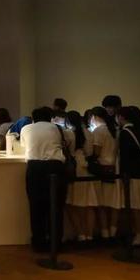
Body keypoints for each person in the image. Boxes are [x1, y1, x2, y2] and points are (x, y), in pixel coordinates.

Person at [21, 106, 66, 252]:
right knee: (56, 206)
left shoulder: (26, 128)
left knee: (35, 206)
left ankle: (38, 243)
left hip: (35, 167)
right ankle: (55, 242)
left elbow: (23, 146)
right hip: (55, 167)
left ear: (33, 118)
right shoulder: (57, 128)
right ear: (50, 117)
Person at [64, 111, 97, 243]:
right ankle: (90, 235)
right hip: (86, 167)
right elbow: (91, 152)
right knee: (88, 204)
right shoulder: (89, 132)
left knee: (72, 204)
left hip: (73, 167)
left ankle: (80, 234)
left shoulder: (68, 133)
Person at [90, 106, 121, 240]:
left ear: (94, 117)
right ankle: (113, 231)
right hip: (116, 168)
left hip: (102, 169)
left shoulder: (98, 131)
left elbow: (96, 152)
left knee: (101, 202)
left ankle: (105, 232)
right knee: (115, 202)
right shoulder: (116, 129)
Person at [118, 106, 140, 246]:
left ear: (122, 117)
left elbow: (125, 157)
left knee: (137, 206)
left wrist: (124, 175)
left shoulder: (125, 132)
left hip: (135, 174)